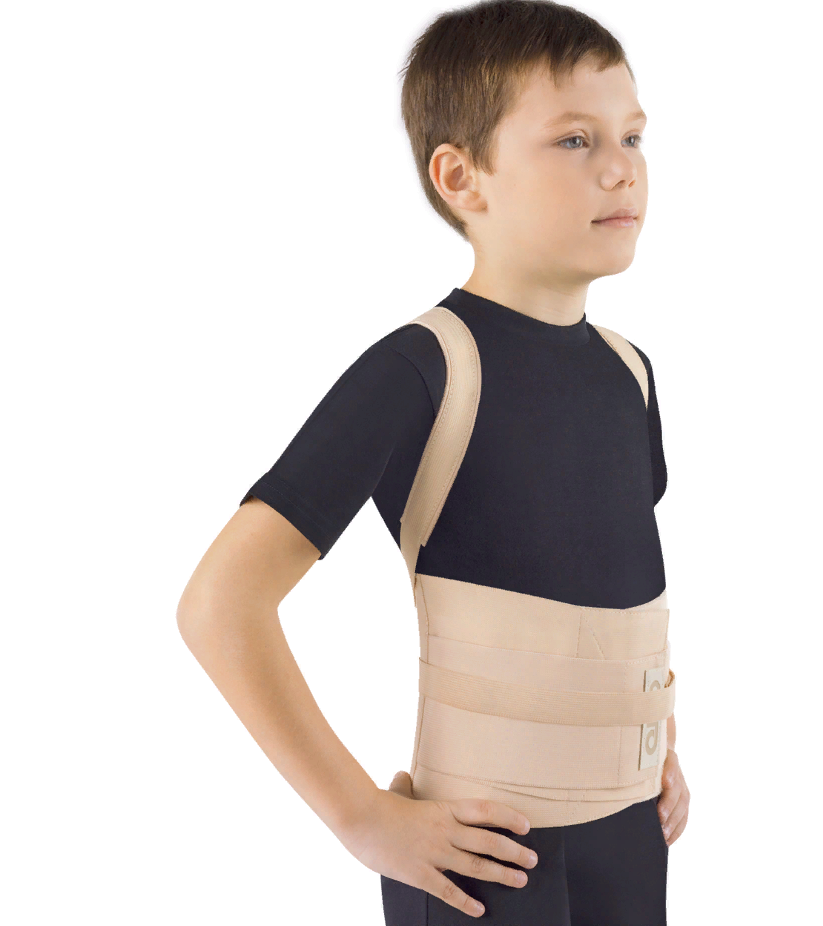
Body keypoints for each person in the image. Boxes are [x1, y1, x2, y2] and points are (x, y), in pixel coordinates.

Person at [176, 1, 691, 923]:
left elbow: (611, 596)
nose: (622, 168)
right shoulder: (423, 369)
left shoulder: (631, 374)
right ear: (461, 177)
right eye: (574, 140)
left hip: (632, 834)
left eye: (633, 136)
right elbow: (220, 603)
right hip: (480, 859)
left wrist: (657, 747)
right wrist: (364, 820)